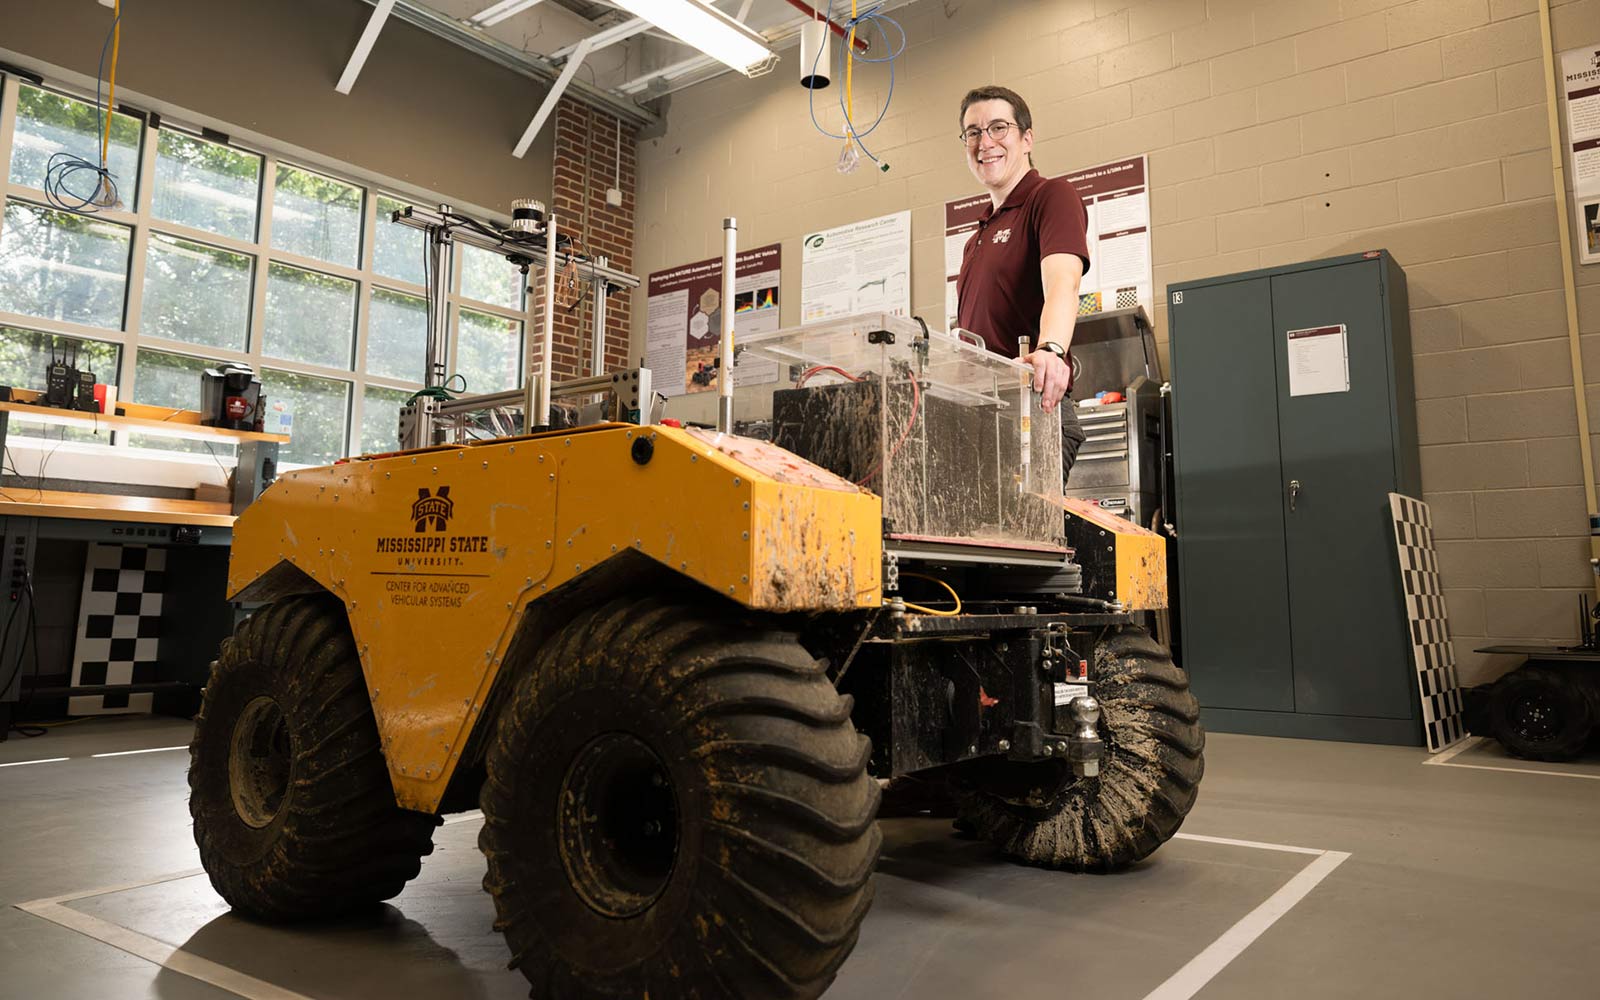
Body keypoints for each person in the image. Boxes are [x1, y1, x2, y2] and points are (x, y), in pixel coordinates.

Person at [954, 85, 1089, 482]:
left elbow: (1063, 284)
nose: (985, 142)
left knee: (1018, 541)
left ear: (1027, 138)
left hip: (1032, 411)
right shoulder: (975, 237)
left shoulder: (1050, 197)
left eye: (998, 128)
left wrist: (1050, 349)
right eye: (973, 132)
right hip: (980, 417)